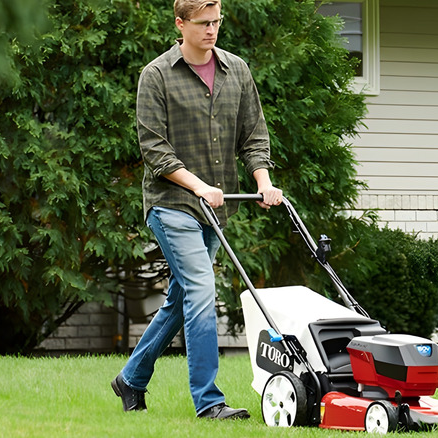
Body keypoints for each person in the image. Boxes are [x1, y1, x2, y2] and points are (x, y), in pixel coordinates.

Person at [111, 0, 283, 419]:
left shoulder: (236, 70)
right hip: (172, 205)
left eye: (217, 22)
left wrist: (263, 182)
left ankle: (131, 378)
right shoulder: (155, 75)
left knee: (181, 298)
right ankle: (210, 403)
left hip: (215, 211)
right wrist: (200, 186)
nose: (212, 30)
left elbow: (254, 135)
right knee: (203, 294)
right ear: (180, 24)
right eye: (204, 23)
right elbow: (155, 149)